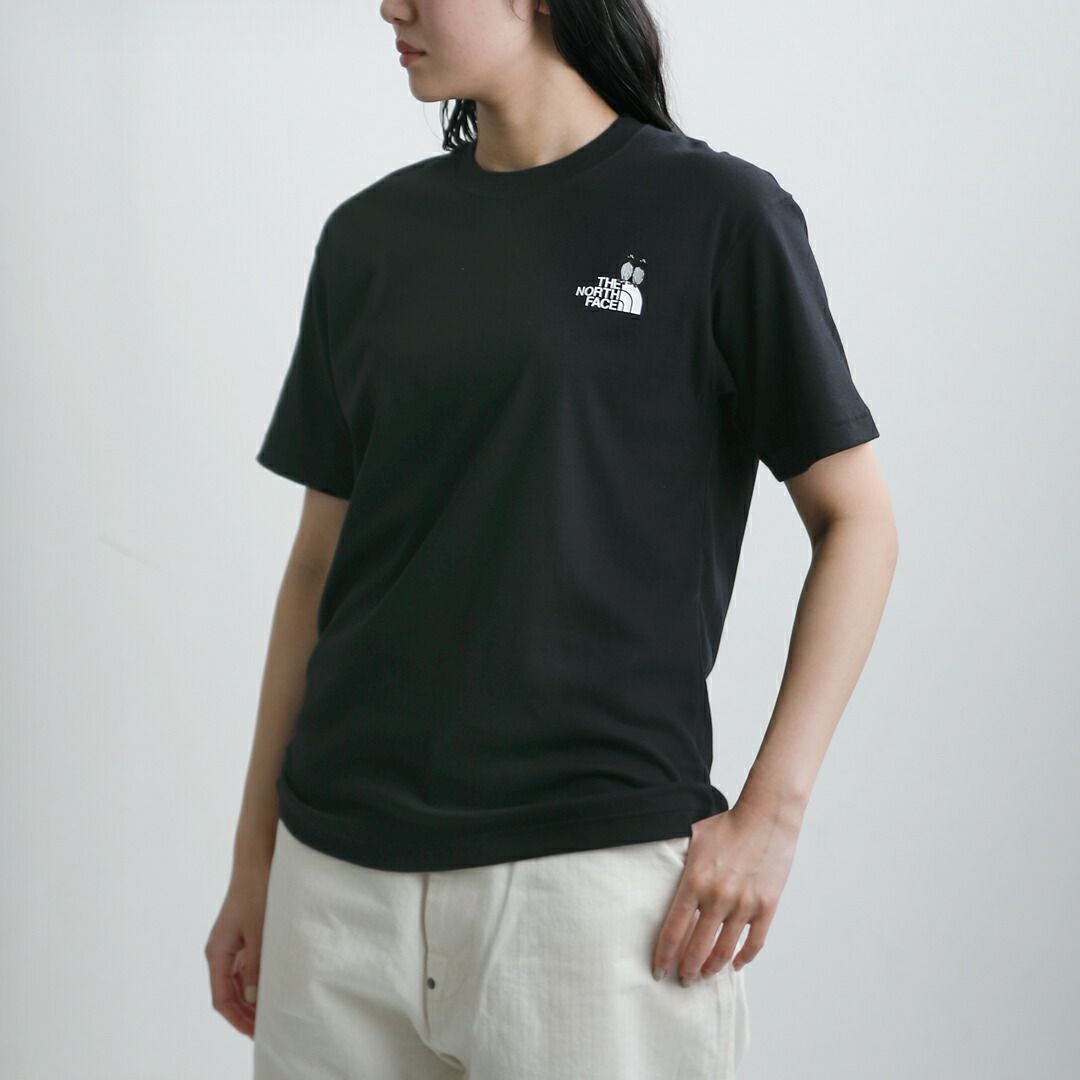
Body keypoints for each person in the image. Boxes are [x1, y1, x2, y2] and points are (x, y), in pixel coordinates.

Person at [204, 1, 898, 1077]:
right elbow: (316, 569)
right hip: (337, 884)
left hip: (593, 891)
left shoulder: (716, 215)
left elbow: (858, 521)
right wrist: (256, 863)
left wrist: (773, 813)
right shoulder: (369, 239)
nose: (390, 6)